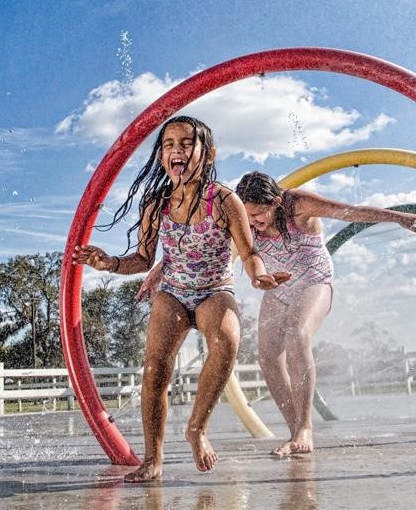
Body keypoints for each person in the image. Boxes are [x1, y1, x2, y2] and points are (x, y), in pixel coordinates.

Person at [72, 117, 289, 483]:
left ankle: (196, 428)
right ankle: (153, 458)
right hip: (172, 291)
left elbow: (248, 250)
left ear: (208, 155)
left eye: (187, 144)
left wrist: (257, 275)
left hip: (213, 290)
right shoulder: (156, 204)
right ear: (161, 157)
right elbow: (142, 260)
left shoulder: (223, 200)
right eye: (169, 144)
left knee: (227, 340)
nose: (177, 150)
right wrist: (107, 262)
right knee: (155, 369)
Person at [234, 171, 416, 457]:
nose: (253, 221)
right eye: (248, 215)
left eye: (259, 214)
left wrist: (396, 216)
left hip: (314, 279)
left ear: (276, 202)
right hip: (278, 286)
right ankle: (295, 431)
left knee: (297, 332)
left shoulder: (297, 204)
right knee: (267, 357)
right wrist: (161, 270)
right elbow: (211, 243)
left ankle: (305, 428)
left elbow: (348, 212)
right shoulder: (241, 216)